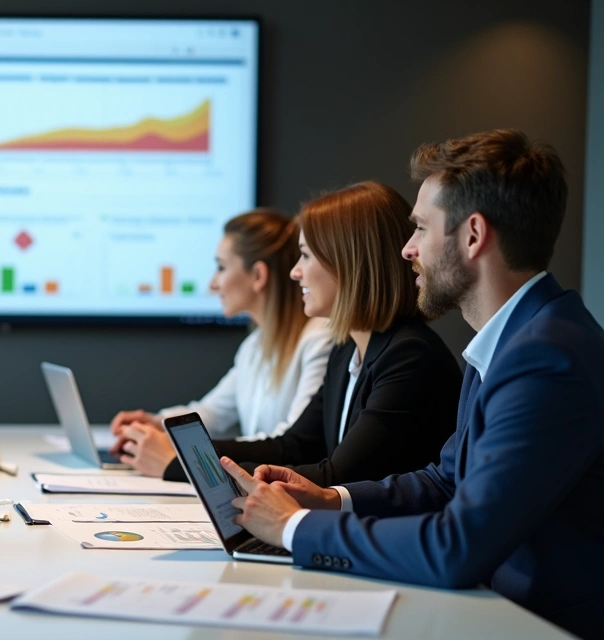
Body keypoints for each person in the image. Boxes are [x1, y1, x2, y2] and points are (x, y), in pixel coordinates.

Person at [224, 130, 603, 637]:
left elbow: (456, 547)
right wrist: (330, 499)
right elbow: (445, 480)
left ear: (473, 235)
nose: (407, 250)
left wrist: (293, 527)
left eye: (421, 228)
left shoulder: (545, 359)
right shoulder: (513, 338)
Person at [152, 182, 462, 487]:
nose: (294, 272)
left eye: (306, 255)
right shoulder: (346, 350)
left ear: (348, 264)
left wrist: (183, 465)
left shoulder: (408, 355)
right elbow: (294, 446)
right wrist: (188, 455)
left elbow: (337, 478)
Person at [109, 210, 333, 477]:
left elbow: (287, 443)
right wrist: (157, 424)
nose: (213, 284)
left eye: (221, 267)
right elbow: (213, 413)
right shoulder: (255, 346)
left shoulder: (319, 340)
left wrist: (183, 451)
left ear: (258, 276)